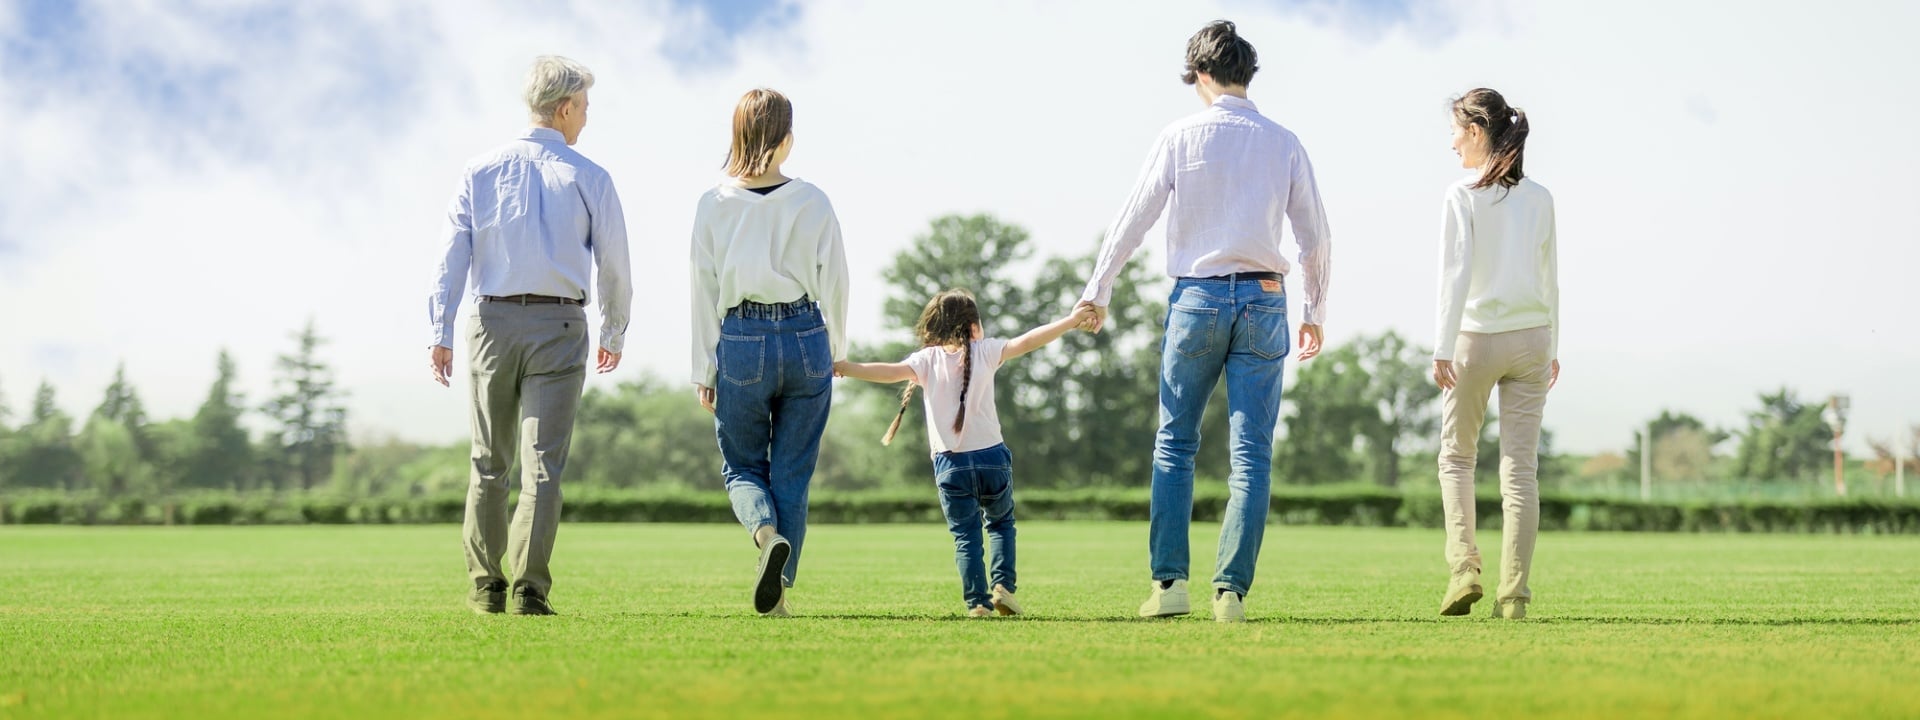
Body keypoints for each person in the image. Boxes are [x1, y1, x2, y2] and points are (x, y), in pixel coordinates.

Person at [1078, 20, 1332, 622]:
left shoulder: (1179, 135)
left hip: (1197, 298)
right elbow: (1315, 238)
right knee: (1251, 455)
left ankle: (1169, 588)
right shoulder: (1284, 141)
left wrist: (1099, 289)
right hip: (1267, 299)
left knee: (1175, 443)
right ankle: (1231, 595)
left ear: (1200, 74)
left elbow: (1132, 218)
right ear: (1247, 73)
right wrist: (1315, 310)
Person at [427, 55, 632, 616]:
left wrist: (439, 329)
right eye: (584, 108)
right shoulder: (590, 176)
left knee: (487, 460)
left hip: (489, 323)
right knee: (543, 464)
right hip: (561, 326)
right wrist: (615, 325)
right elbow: (614, 262)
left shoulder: (479, 169)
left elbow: (452, 258)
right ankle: (529, 591)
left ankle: (485, 587)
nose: (586, 119)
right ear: (565, 108)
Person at [834, 291, 1094, 617]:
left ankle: (978, 604)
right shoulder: (986, 351)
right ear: (974, 326)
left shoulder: (926, 360)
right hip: (991, 458)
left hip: (950, 464)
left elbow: (887, 371)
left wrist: (845, 367)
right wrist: (1071, 321)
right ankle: (1003, 588)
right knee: (1000, 525)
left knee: (966, 538)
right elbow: (1029, 341)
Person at [690, 88, 849, 617]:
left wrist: (703, 367)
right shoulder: (813, 199)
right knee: (793, 471)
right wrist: (838, 348)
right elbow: (838, 280)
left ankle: (765, 538)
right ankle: (777, 596)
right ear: (786, 140)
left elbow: (703, 289)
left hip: (742, 339)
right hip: (807, 333)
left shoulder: (713, 203)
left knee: (741, 467)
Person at [1431, 87, 1559, 620]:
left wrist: (1442, 346)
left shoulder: (1462, 194)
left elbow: (1455, 274)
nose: (1452, 143)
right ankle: (1515, 597)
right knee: (1520, 470)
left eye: (1457, 131)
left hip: (1476, 338)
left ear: (1477, 132)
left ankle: (1465, 569)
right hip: (1533, 338)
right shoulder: (1541, 197)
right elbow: (1552, 277)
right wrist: (1554, 346)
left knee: (1457, 457)